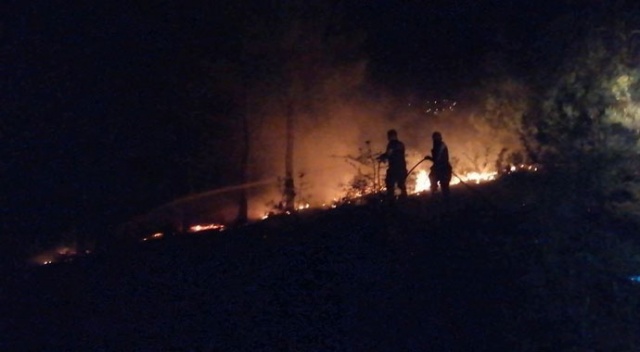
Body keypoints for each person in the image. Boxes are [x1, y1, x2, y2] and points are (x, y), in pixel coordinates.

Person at [378, 129, 408, 200]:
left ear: (391, 136)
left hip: (394, 168)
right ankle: (404, 200)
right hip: (402, 168)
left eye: (388, 136)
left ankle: (391, 201)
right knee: (401, 185)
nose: (387, 138)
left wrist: (382, 157)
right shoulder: (401, 144)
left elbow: (389, 153)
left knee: (390, 184)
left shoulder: (391, 144)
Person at [425, 131, 452, 197]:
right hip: (440, 168)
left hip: (443, 168)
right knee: (433, 178)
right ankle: (436, 195)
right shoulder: (437, 146)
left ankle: (446, 201)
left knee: (444, 186)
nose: (434, 139)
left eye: (436, 137)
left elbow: (437, 158)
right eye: (434, 138)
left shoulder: (441, 146)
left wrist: (429, 158)